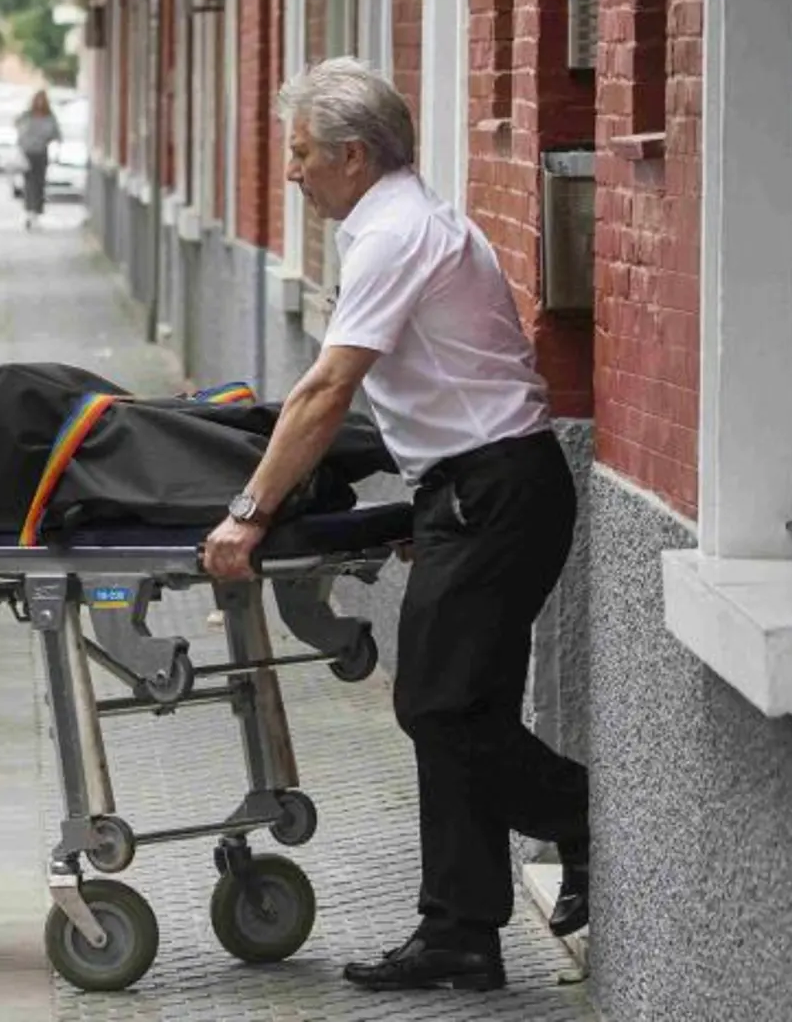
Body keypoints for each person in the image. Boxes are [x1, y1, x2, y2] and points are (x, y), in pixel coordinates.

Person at [201, 56, 590, 992]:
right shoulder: (400, 225)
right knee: (464, 709)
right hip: (473, 490)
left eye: (300, 154)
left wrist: (247, 514)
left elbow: (328, 388)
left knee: (435, 706)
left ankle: (585, 816)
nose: (291, 173)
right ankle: (459, 933)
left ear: (350, 152)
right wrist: (426, 496)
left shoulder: (395, 235)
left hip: (496, 491)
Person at [14, 90, 62, 230]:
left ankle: (36, 214)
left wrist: (55, 145)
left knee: (39, 184)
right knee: (29, 184)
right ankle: (30, 213)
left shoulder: (49, 117)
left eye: (43, 100)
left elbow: (57, 134)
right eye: (38, 99)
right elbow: (19, 129)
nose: (40, 102)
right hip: (27, 153)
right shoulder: (27, 115)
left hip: (41, 153)